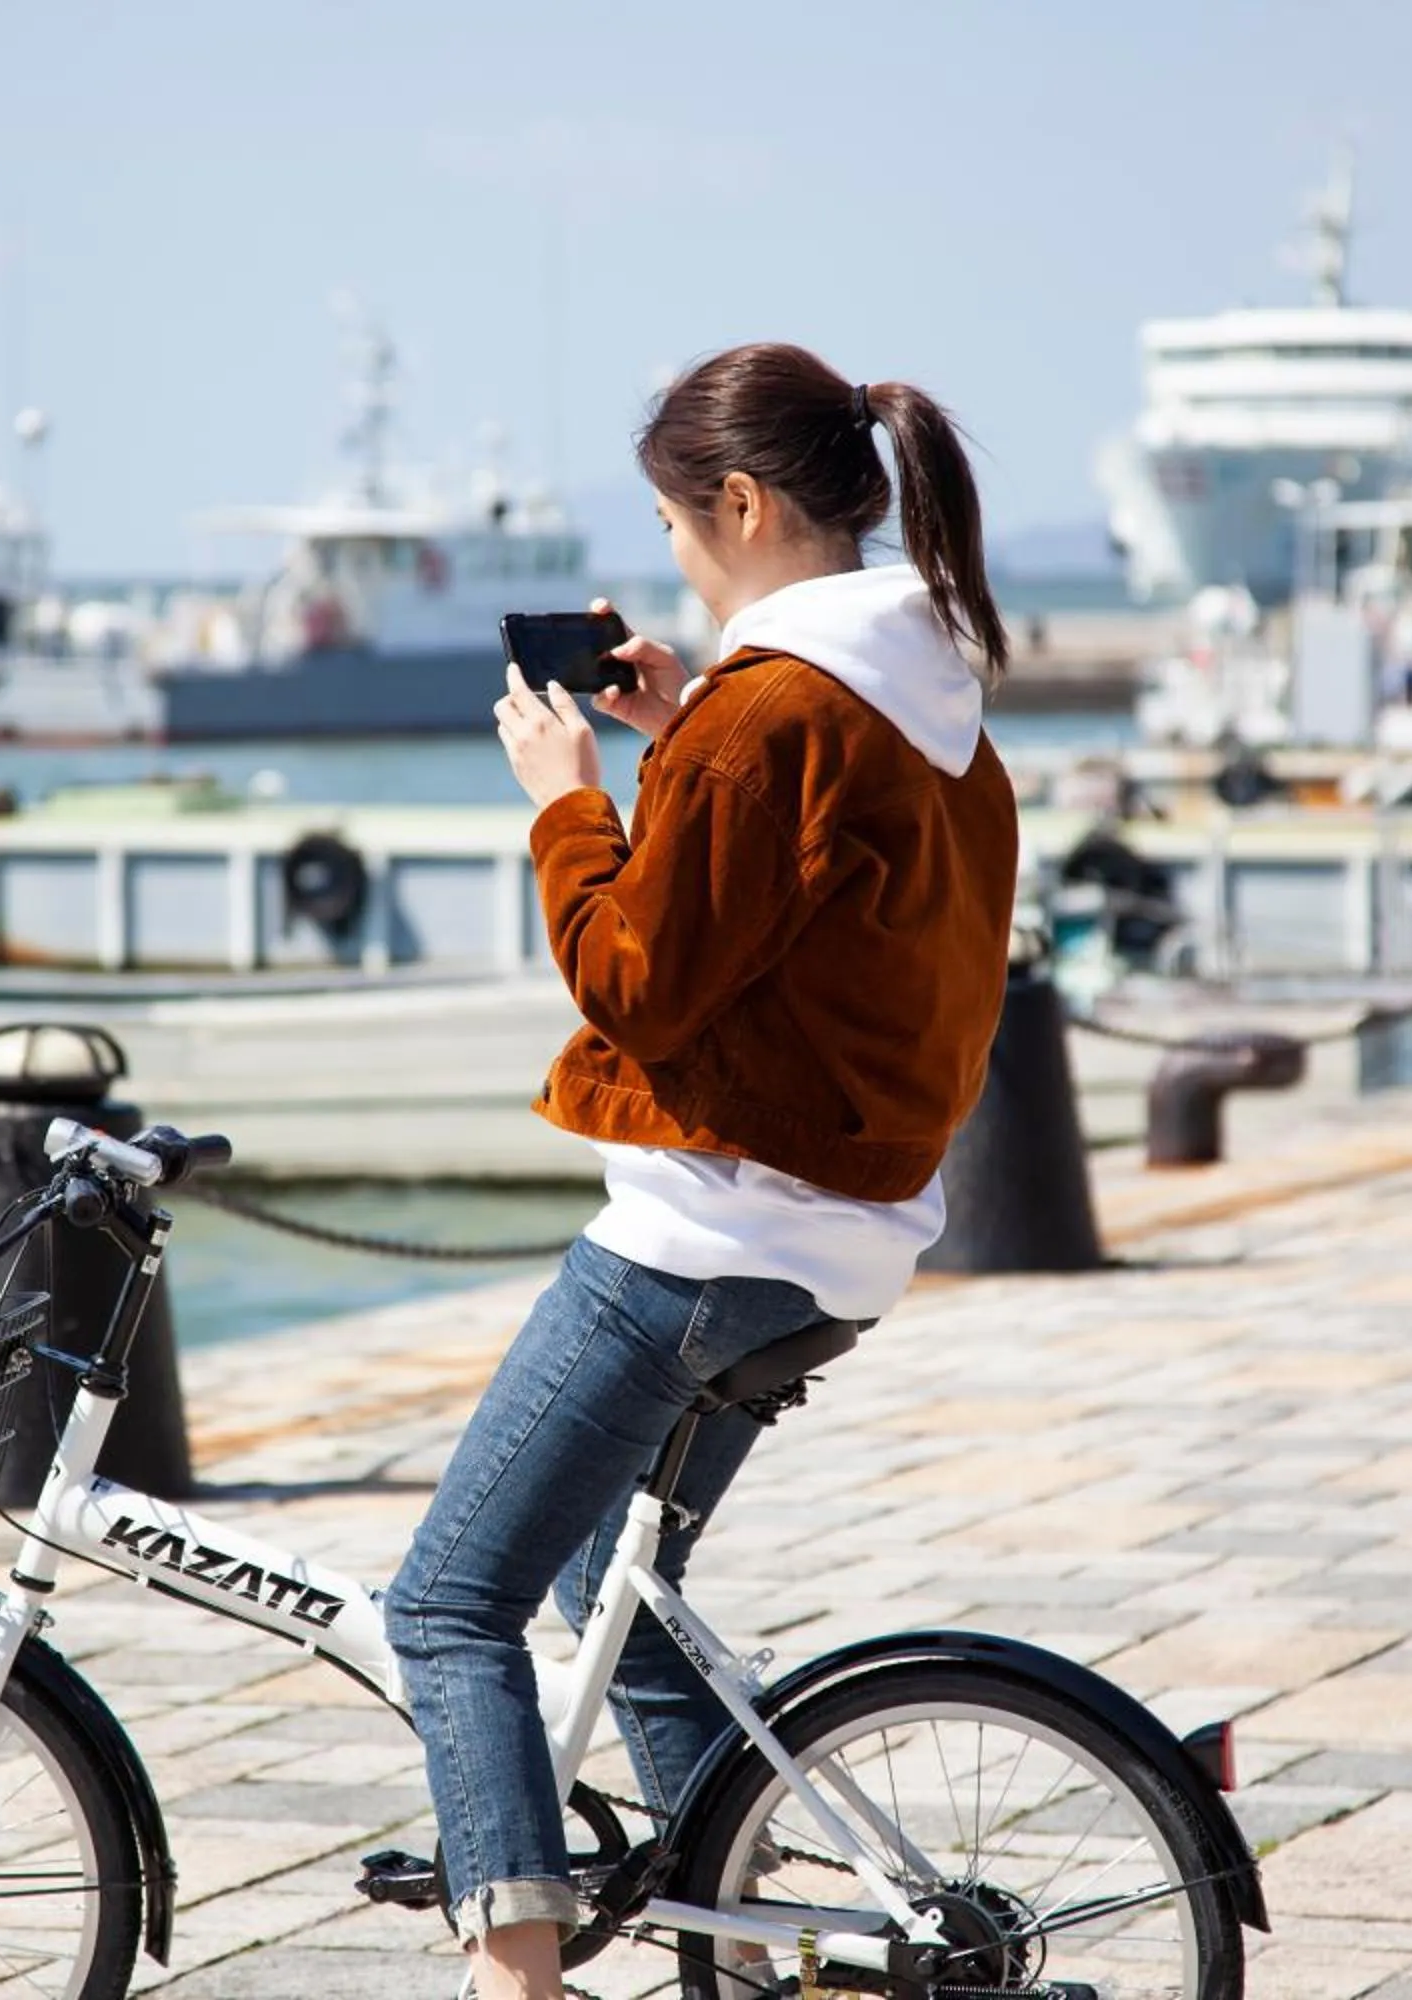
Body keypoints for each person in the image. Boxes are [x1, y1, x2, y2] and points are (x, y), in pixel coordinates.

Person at [381, 341, 1021, 2000]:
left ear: (737, 505)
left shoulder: (778, 710)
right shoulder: (919, 689)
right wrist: (680, 732)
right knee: (620, 1597)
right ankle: (752, 1951)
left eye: (675, 522)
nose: (670, 556)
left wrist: (566, 799)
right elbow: (801, 911)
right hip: (845, 1226)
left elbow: (640, 979)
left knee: (450, 1608)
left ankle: (515, 1973)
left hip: (706, 1236)